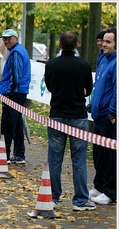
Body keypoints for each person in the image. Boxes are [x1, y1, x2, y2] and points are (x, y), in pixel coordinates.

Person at [45, 30, 95, 211]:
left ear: (59, 45)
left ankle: (52, 197)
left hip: (57, 115)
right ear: (76, 46)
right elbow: (88, 90)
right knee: (79, 159)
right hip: (78, 116)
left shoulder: (51, 64)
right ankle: (80, 200)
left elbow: (50, 86)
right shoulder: (83, 65)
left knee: (55, 158)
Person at [89, 28, 117, 205]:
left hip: (108, 117)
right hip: (98, 115)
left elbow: (116, 90)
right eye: (103, 41)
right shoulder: (103, 59)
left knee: (110, 155)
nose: (103, 44)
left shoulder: (116, 63)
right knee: (98, 154)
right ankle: (99, 186)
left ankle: (110, 191)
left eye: (108, 42)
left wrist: (112, 112)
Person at [0, 29, 30, 164]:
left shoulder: (16, 53)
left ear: (16, 38)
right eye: (4, 39)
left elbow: (16, 76)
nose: (6, 41)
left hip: (14, 93)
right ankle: (19, 154)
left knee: (8, 124)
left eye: (9, 38)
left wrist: (9, 92)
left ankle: (4, 154)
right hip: (19, 92)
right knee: (16, 123)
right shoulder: (19, 50)